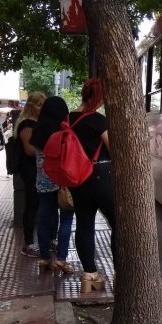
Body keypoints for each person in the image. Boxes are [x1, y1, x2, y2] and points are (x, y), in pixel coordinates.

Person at [69, 78, 116, 292]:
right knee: (119, 224)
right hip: (100, 176)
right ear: (98, 97)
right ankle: (121, 273)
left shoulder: (68, 119)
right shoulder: (98, 120)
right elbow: (112, 148)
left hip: (77, 179)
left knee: (84, 224)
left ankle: (90, 274)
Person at [30, 96, 75, 275]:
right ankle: (62, 260)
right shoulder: (65, 131)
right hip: (64, 182)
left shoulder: (38, 131)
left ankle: (45, 258)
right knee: (66, 219)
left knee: (44, 219)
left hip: (43, 182)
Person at [15, 92, 46, 257]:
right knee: (32, 204)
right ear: (30, 106)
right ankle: (28, 243)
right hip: (31, 169)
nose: (41, 108)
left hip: (38, 169)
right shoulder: (27, 124)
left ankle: (37, 241)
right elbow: (29, 150)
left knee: (38, 205)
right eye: (38, 104)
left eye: (43, 104)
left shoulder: (38, 123)